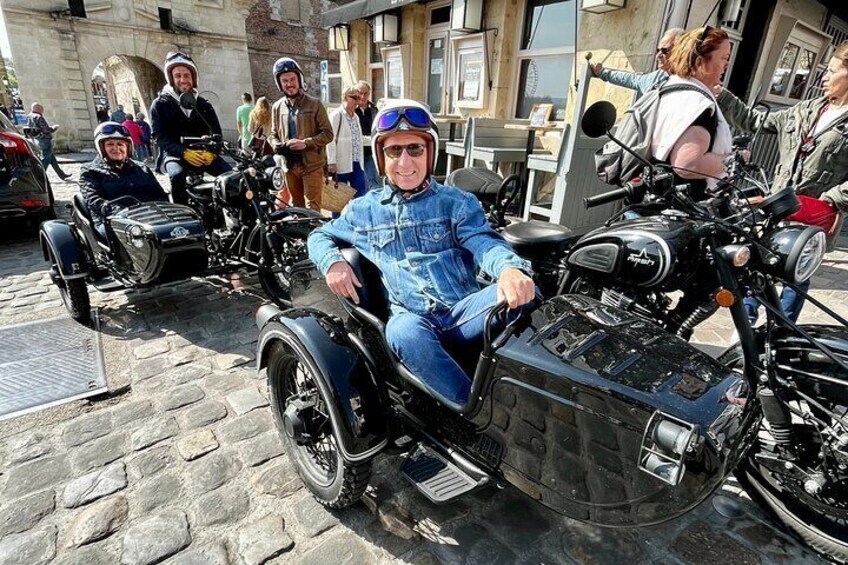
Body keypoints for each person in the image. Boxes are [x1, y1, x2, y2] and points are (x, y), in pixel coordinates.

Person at [307, 101, 535, 405]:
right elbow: (319, 234)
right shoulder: (364, 210)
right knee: (402, 332)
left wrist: (509, 270)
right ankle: (473, 414)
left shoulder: (457, 202)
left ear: (430, 153)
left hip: (463, 313)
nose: (404, 161)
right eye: (394, 151)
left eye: (414, 149)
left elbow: (484, 241)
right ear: (381, 157)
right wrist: (332, 262)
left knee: (527, 294)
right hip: (414, 319)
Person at [717, 40, 848, 323]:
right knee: (760, 263)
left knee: (796, 276)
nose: (824, 77)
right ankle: (746, 326)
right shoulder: (805, 110)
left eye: (833, 71)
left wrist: (832, 199)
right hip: (779, 207)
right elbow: (754, 121)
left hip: (814, 215)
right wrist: (722, 95)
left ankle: (781, 329)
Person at [649, 26, 734, 198]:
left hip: (651, 199)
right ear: (700, 61)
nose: (726, 65)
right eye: (724, 58)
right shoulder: (699, 105)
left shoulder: (669, 90)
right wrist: (733, 159)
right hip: (680, 213)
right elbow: (688, 164)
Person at [150, 51, 231, 205]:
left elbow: (216, 134)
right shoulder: (160, 104)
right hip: (175, 155)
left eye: (186, 75)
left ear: (193, 78)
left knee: (233, 177)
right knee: (177, 175)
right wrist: (183, 152)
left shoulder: (204, 105)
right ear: (171, 79)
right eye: (178, 76)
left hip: (204, 153)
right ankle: (183, 214)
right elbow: (159, 136)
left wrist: (212, 154)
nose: (183, 80)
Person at [79, 122, 169, 236]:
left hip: (149, 218)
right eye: (110, 144)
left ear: (128, 147)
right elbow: (94, 200)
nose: (116, 148)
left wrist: (161, 208)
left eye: (120, 144)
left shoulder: (141, 167)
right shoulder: (90, 171)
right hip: (112, 220)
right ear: (101, 147)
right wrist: (122, 213)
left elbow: (159, 194)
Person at [267, 57, 333, 211]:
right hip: (289, 166)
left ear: (299, 79)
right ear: (280, 84)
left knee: (312, 209)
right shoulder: (277, 107)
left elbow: (328, 134)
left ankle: (314, 234)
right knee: (297, 207)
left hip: (311, 165)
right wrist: (277, 145)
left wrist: (306, 143)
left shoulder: (315, 104)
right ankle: (301, 235)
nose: (289, 84)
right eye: (285, 81)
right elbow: (272, 134)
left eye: (292, 79)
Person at [591, 28, 682, 95]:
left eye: (664, 51)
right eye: (658, 51)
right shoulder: (656, 79)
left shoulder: (688, 83)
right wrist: (602, 72)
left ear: (680, 51)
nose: (658, 56)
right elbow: (632, 79)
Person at [327, 86, 368, 218]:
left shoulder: (355, 117)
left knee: (361, 193)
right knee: (338, 198)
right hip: (341, 163)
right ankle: (335, 223)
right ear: (345, 97)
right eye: (354, 97)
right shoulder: (336, 115)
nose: (358, 101)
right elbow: (330, 140)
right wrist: (331, 161)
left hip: (356, 161)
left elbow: (358, 138)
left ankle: (356, 221)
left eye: (359, 98)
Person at [26, 102, 70, 180]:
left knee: (52, 159)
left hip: (38, 139)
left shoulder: (29, 116)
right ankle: (40, 175)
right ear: (38, 109)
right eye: (41, 109)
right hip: (44, 139)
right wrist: (54, 128)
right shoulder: (38, 117)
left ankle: (61, 174)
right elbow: (46, 129)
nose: (42, 110)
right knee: (46, 158)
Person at [355, 80, 381, 190]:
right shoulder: (351, 110)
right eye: (360, 93)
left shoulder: (375, 110)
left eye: (366, 93)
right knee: (358, 182)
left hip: (370, 152)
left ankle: (373, 204)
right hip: (355, 152)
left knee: (372, 180)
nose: (362, 96)